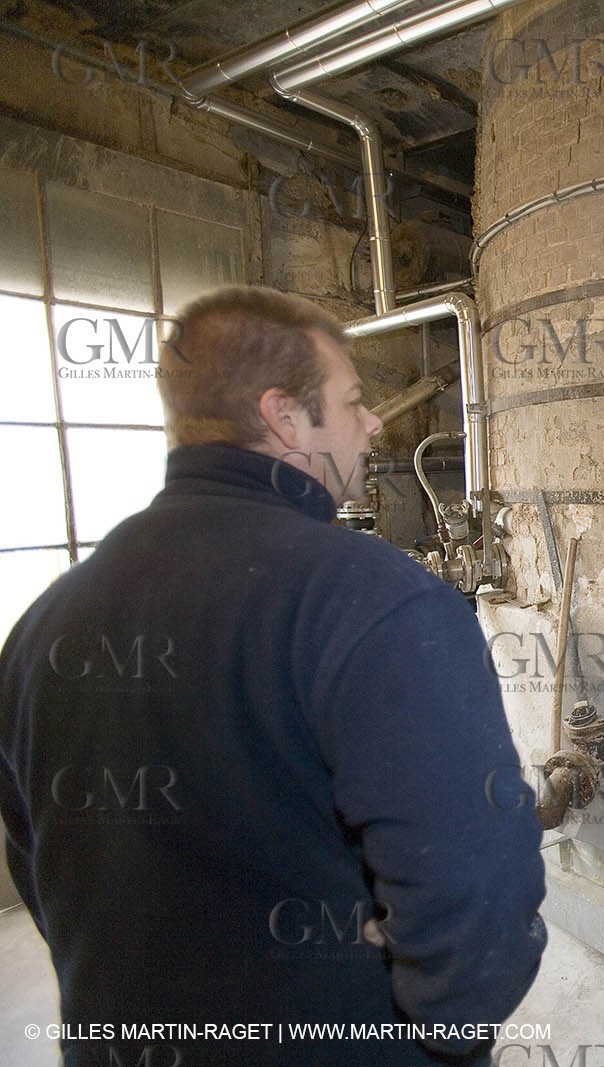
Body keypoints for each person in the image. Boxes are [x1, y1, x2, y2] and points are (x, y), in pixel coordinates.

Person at [0, 286, 546, 1066]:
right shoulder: (377, 600)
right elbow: (478, 886)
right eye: (352, 401)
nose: (374, 422)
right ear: (285, 417)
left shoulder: (43, 624)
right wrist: (443, 1033)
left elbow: (45, 875)